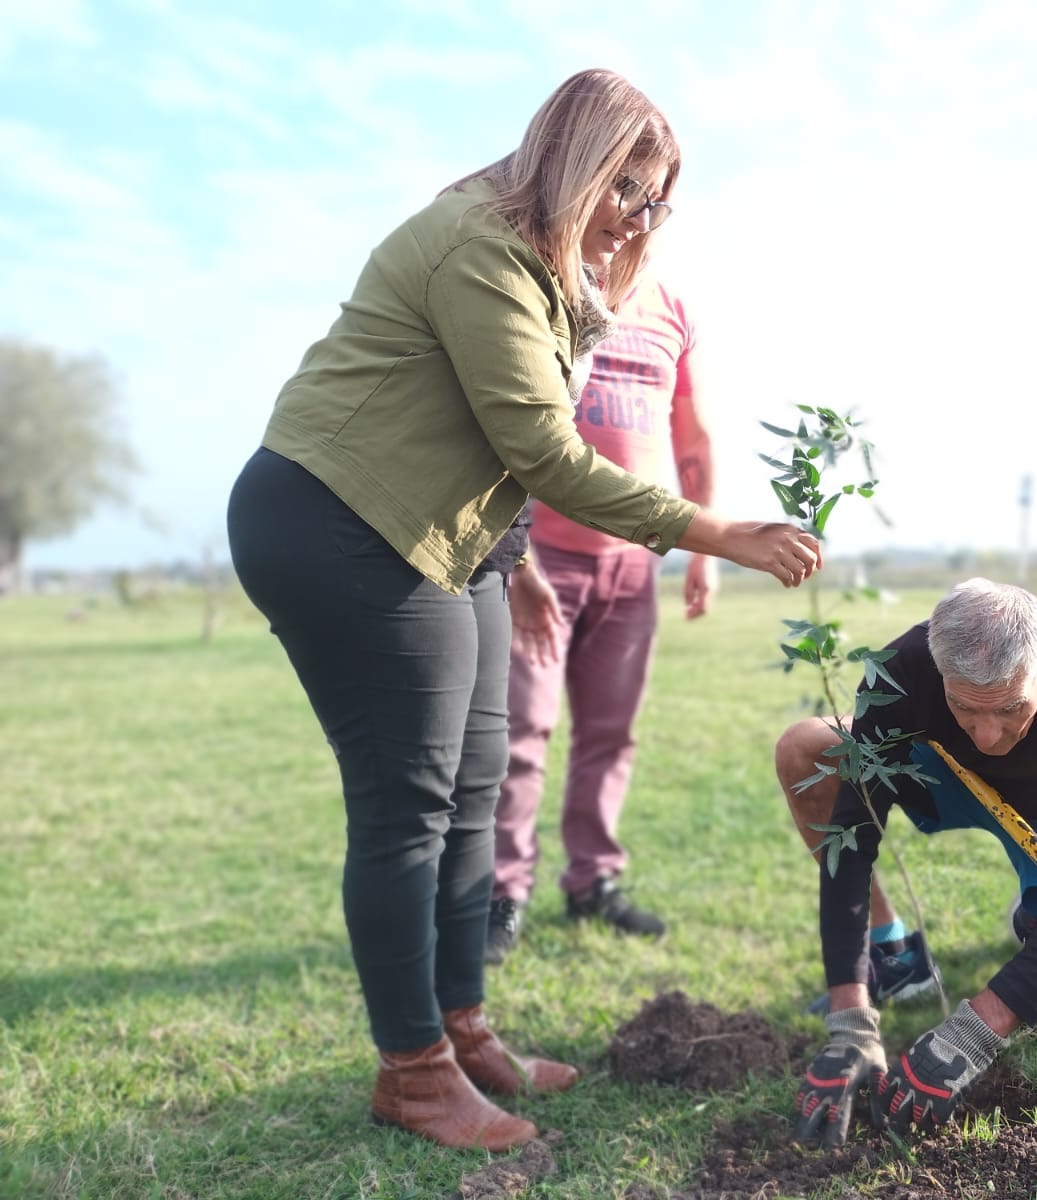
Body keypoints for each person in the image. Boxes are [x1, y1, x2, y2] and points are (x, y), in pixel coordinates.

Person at [226, 68, 821, 1153]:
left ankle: (462, 1031)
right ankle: (412, 1072)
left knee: (474, 782)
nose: (637, 217)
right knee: (408, 805)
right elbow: (543, 450)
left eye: (656, 200)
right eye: (625, 188)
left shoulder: (552, 271)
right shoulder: (482, 245)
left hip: (448, 539)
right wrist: (717, 533)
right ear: (576, 159)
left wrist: (515, 562)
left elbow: (502, 456)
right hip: (337, 521)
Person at [782, 579, 1037, 1147]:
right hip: (941, 775)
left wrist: (974, 1032)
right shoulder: (901, 671)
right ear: (940, 676)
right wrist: (849, 1020)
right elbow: (853, 838)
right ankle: (890, 953)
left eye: (1012, 707)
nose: (989, 735)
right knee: (807, 745)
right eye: (964, 706)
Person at [486, 273, 712, 957]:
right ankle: (502, 892)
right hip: (543, 553)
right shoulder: (548, 287)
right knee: (523, 728)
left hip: (634, 562)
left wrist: (703, 552)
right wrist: (516, 556)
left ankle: (592, 883)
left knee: (611, 734)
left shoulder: (672, 308)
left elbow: (691, 435)